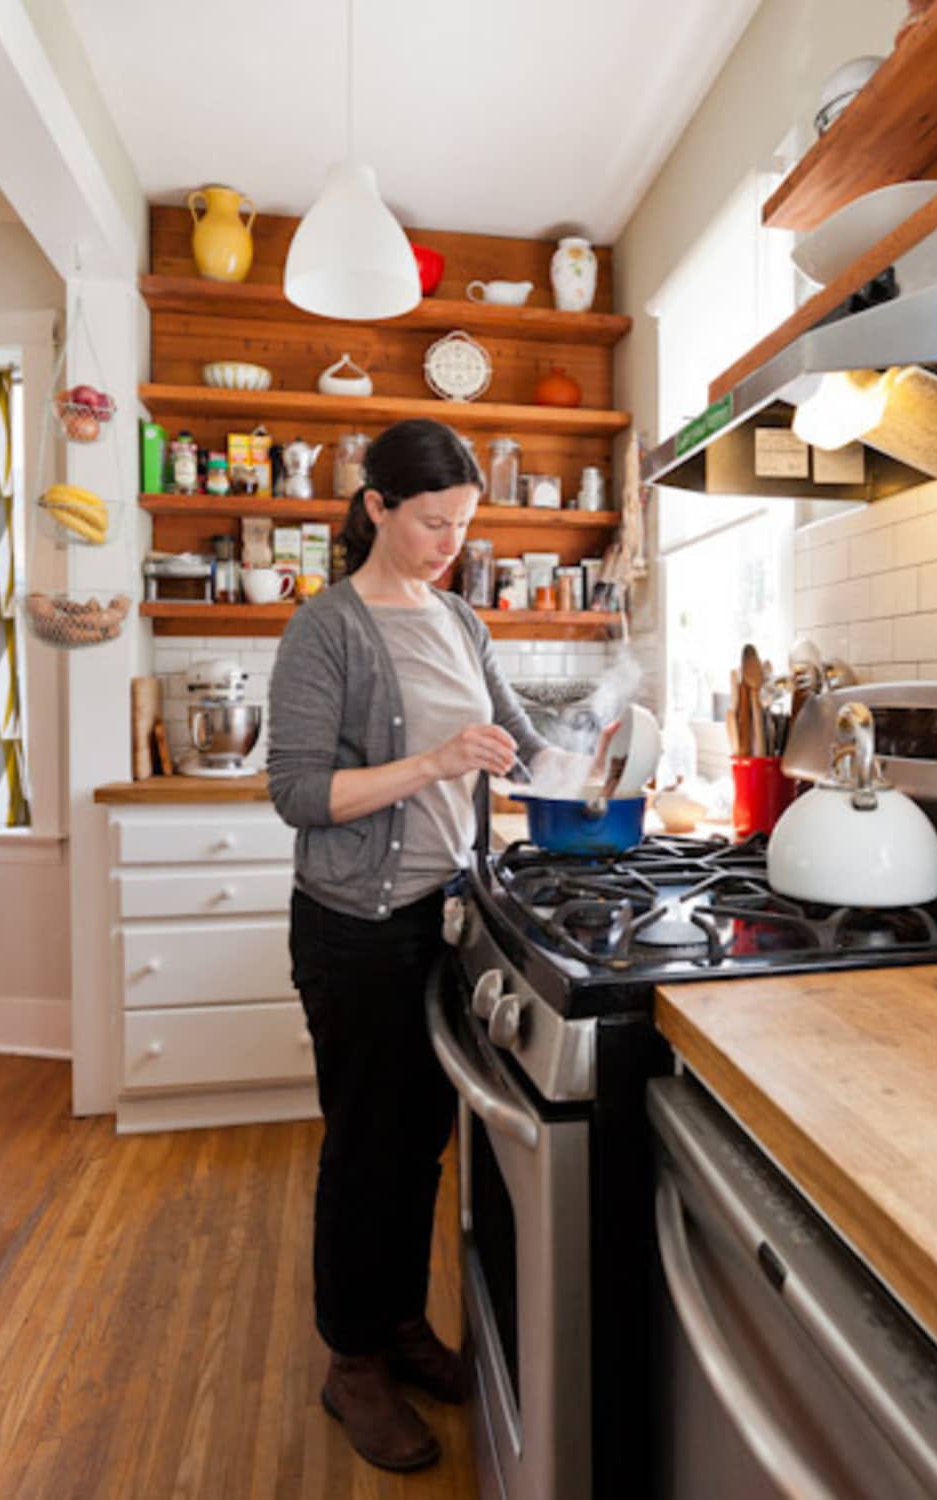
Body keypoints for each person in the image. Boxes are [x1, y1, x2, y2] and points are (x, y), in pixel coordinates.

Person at [266, 417, 600, 1473]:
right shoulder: (327, 627)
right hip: (356, 930)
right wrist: (434, 760)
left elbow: (520, 738)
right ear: (376, 509)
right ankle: (351, 1362)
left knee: (422, 1143)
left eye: (462, 522)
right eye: (432, 522)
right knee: (367, 1146)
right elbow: (298, 794)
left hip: (449, 917)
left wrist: (606, 757)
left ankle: (401, 1327)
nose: (451, 540)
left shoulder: (459, 616)